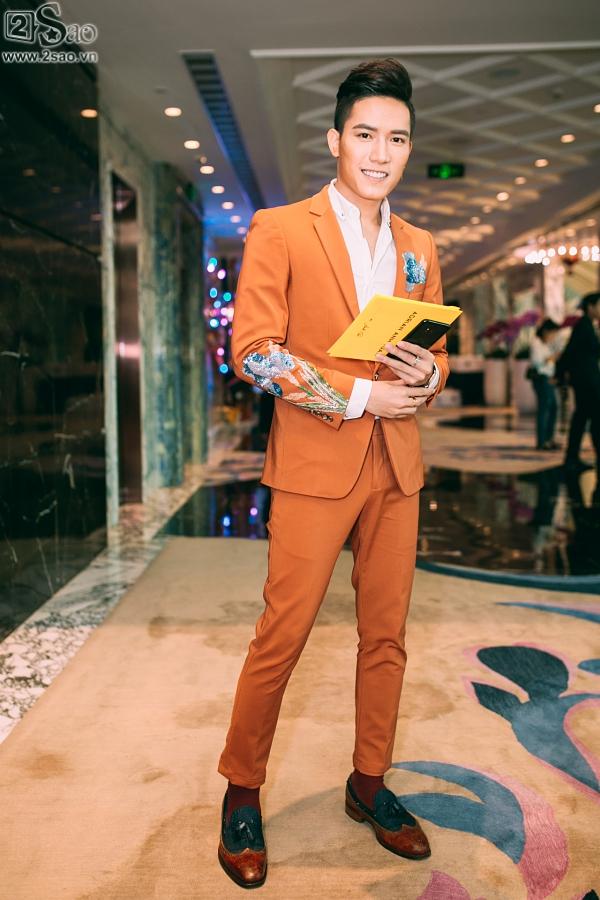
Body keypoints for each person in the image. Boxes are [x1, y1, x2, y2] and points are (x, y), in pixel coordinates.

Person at [216, 58, 449, 889]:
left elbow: (436, 351)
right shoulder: (282, 228)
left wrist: (428, 376)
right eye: (366, 135)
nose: (381, 153)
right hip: (317, 463)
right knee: (282, 635)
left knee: (386, 636)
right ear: (335, 139)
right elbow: (254, 351)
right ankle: (242, 790)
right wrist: (358, 395)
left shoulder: (419, 246)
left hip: (398, 467)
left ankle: (369, 782)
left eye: (398, 139)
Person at [557, 292, 600, 475]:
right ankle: (573, 458)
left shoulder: (587, 326)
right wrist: (560, 374)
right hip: (586, 381)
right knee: (593, 418)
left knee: (582, 419)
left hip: (586, 379)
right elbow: (570, 352)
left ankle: (572, 458)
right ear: (590, 307)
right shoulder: (583, 326)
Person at [530, 318, 561, 450]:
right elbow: (537, 362)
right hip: (541, 378)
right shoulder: (536, 343)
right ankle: (542, 441)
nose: (553, 337)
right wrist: (552, 358)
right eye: (553, 333)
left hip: (548, 378)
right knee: (544, 408)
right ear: (546, 331)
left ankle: (549, 438)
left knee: (553, 407)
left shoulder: (546, 345)